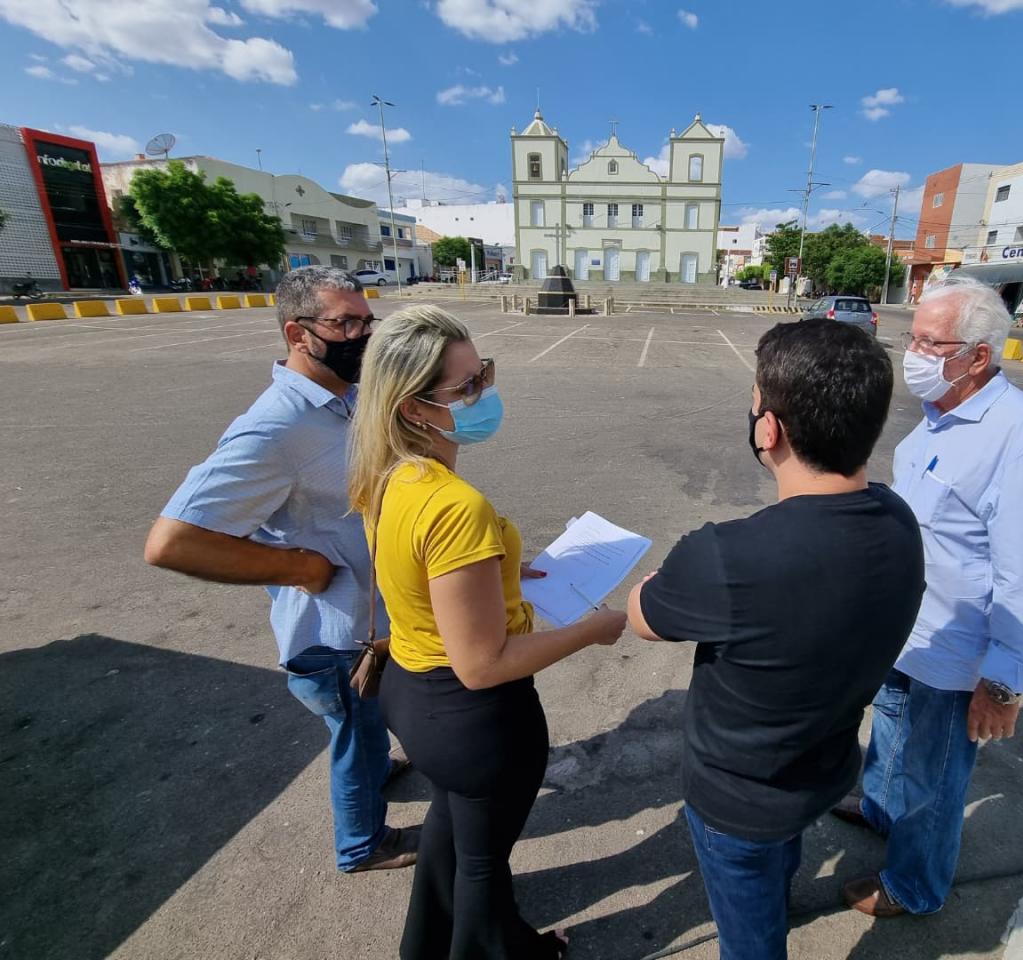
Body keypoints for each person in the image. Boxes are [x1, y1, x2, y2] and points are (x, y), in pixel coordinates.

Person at [626, 318, 926, 960]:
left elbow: (643, 616)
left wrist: (664, 580)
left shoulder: (727, 555)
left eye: (756, 399)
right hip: (825, 766)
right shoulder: (899, 519)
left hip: (738, 800)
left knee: (750, 935)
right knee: (779, 858)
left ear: (770, 429)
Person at [348, 305, 627, 960]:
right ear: (415, 409)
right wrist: (595, 629)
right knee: (481, 865)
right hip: (475, 719)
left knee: (451, 835)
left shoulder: (392, 476)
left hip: (415, 697)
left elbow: (420, 577)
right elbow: (483, 663)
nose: (485, 395)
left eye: (486, 374)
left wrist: (498, 572)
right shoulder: (453, 505)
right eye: (467, 387)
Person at [143, 265, 418, 874]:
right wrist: (301, 566)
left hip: (370, 623)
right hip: (333, 637)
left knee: (366, 726)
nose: (362, 335)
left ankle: (377, 765)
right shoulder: (275, 427)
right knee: (351, 735)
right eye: (344, 323)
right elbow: (173, 542)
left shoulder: (344, 400)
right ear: (298, 334)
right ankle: (363, 846)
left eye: (365, 320)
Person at [835, 277, 1023, 918]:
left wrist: (1003, 682)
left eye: (930, 342)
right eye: (912, 337)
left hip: (959, 650)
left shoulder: (1020, 435)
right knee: (889, 734)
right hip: (908, 630)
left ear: (976, 356)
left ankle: (915, 885)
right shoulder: (941, 419)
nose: (912, 352)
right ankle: (881, 812)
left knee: (934, 778)